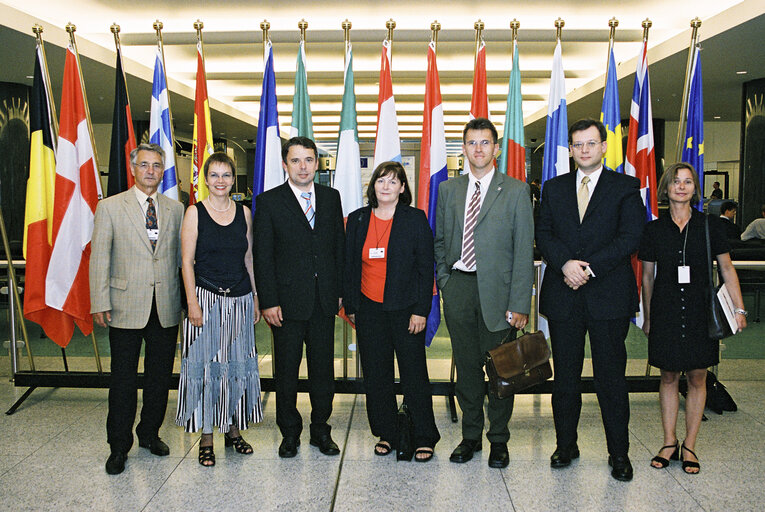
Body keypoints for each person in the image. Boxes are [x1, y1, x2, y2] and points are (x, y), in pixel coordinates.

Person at [536, 119, 645, 482]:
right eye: (577, 144)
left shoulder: (626, 187)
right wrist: (565, 263)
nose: (584, 150)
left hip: (608, 297)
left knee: (610, 379)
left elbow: (631, 236)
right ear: (569, 149)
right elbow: (544, 233)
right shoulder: (553, 188)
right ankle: (565, 445)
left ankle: (619, 453)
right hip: (564, 294)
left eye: (591, 143)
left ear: (603, 147)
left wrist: (589, 267)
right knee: (565, 378)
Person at [434, 118, 534, 469]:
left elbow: (524, 251)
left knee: (501, 370)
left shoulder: (517, 191)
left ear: (497, 148)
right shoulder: (448, 190)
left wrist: (520, 303)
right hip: (459, 288)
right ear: (463, 149)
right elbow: (441, 241)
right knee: (467, 370)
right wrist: (445, 279)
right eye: (471, 143)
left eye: (485, 143)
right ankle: (471, 435)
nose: (478, 149)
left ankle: (499, 440)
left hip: (500, 294)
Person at [640, 162, 747, 474]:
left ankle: (690, 445)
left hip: (701, 311)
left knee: (698, 376)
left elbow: (727, 269)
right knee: (669, 375)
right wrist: (648, 317)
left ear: (695, 189)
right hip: (666, 310)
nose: (682, 187)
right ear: (666, 188)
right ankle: (669, 441)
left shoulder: (710, 225)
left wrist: (739, 309)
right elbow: (647, 277)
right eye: (676, 181)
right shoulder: (653, 229)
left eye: (688, 182)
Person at [90, 143, 185, 475]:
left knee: (159, 378)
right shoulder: (111, 207)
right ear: (134, 168)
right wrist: (99, 301)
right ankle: (118, 446)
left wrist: (186, 304)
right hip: (124, 305)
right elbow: (99, 257)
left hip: (166, 307)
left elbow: (180, 261)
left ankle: (149, 433)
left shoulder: (177, 209)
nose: (151, 171)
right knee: (123, 381)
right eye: (145, 165)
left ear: (163, 171)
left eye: (157, 166)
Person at [253, 136, 345, 458]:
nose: (303, 166)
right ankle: (289, 432)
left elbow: (339, 249)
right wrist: (268, 301)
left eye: (308, 160)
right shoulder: (268, 202)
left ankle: (321, 429)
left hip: (323, 302)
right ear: (284, 164)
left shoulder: (332, 198)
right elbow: (263, 256)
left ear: (317, 163)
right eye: (296, 160)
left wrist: (339, 293)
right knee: (287, 373)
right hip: (285, 305)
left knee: (323, 372)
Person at [344, 161, 440, 462]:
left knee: (414, 374)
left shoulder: (414, 219)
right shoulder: (358, 220)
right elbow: (349, 266)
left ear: (402, 188)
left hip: (407, 310)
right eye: (380, 181)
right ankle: (386, 432)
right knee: (376, 375)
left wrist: (421, 311)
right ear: (373, 186)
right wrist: (353, 306)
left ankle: (424, 435)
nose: (385, 186)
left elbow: (427, 269)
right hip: (369, 309)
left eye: (393, 181)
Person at [176, 152, 263, 466]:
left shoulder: (245, 213)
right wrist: (192, 303)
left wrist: (255, 296)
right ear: (205, 179)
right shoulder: (194, 214)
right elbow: (186, 262)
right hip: (206, 300)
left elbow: (249, 259)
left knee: (237, 367)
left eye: (226, 175)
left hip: (239, 300)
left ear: (232, 180)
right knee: (205, 370)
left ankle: (234, 431)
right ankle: (207, 436)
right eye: (214, 175)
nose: (221, 181)